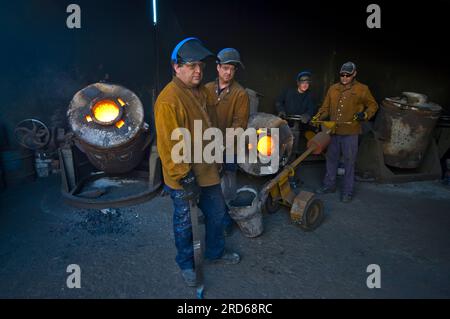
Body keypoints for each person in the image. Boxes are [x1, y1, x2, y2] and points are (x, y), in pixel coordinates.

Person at [154, 37, 240, 287]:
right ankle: (186, 264)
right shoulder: (168, 101)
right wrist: (185, 177)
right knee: (185, 224)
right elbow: (170, 146)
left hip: (207, 169)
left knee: (216, 214)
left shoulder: (202, 92)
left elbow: (210, 126)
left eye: (200, 65)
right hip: (184, 176)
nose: (198, 71)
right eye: (191, 65)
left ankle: (215, 252)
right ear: (176, 66)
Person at [312, 61, 378, 202]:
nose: (344, 78)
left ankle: (347, 192)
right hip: (333, 132)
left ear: (354, 74)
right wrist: (317, 117)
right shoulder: (333, 89)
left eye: (348, 75)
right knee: (331, 159)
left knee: (349, 162)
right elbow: (325, 108)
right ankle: (329, 185)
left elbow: (373, 105)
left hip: (351, 132)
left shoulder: (362, 89)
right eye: (342, 75)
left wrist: (365, 115)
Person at [205, 48, 250, 236]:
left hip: (228, 146)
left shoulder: (240, 94)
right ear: (217, 68)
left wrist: (221, 145)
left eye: (232, 69)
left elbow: (239, 124)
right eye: (224, 68)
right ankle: (211, 215)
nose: (228, 72)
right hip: (208, 144)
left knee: (227, 184)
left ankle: (226, 220)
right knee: (208, 182)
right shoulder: (206, 89)